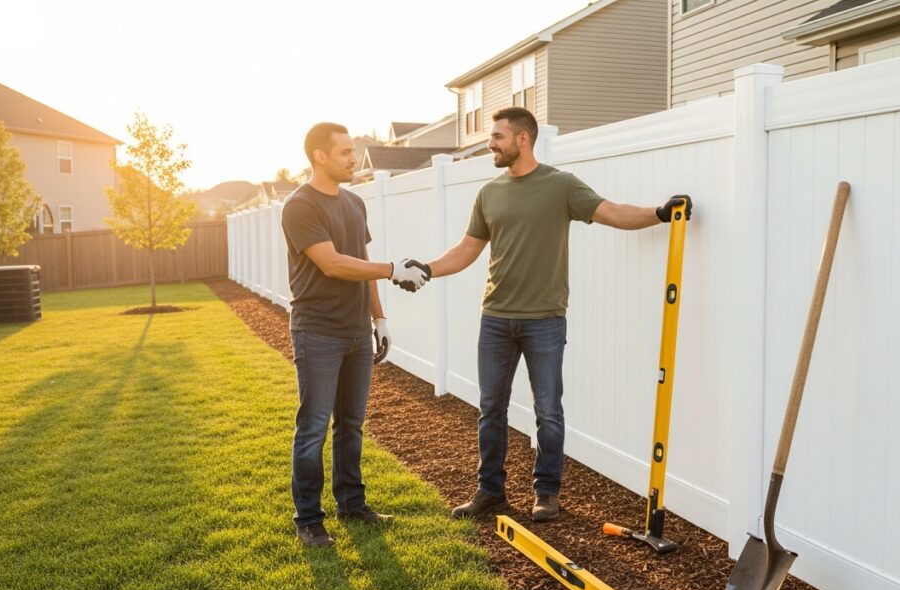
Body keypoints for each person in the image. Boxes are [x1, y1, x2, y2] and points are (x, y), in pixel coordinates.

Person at [404, 107, 690, 522]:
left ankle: (547, 493)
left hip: (545, 320)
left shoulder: (561, 186)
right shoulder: (489, 193)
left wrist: (659, 213)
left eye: (497, 137)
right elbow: (467, 250)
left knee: (548, 411)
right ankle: (490, 492)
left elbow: (611, 212)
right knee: (491, 410)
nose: (490, 145)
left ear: (523, 138)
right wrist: (427, 268)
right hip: (496, 318)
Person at [281, 122, 431, 547]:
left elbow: (360, 260)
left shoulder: (353, 203)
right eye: (345, 151)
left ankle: (351, 503)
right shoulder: (299, 206)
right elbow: (333, 264)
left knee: (351, 423)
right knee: (313, 426)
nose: (353, 158)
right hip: (318, 332)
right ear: (319, 156)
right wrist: (392, 268)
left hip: (355, 332)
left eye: (352, 150)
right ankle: (308, 519)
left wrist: (379, 319)